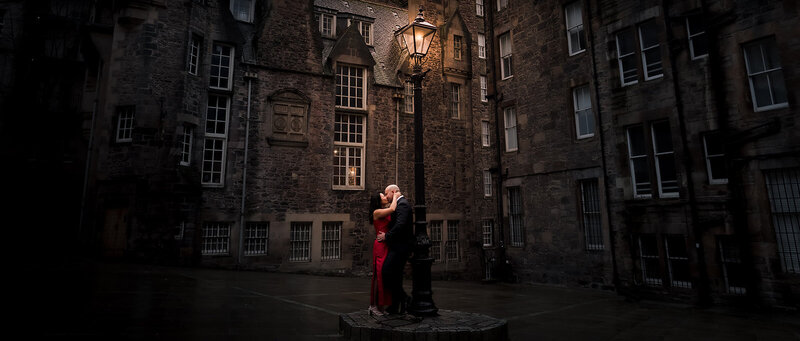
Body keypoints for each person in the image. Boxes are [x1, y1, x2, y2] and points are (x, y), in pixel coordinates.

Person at [376, 184, 414, 315]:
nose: (386, 197)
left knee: (387, 272)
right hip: (396, 246)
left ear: (393, 192)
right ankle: (396, 305)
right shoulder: (398, 204)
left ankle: (405, 298)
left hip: (400, 247)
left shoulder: (402, 204)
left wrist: (386, 236)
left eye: (387, 194)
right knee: (396, 277)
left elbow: (401, 224)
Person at [368, 191, 399, 316]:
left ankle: (380, 306)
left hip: (387, 244)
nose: (386, 197)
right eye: (383, 196)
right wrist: (396, 196)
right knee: (378, 275)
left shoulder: (382, 210)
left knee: (384, 276)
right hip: (380, 246)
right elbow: (392, 208)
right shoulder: (376, 212)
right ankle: (373, 306)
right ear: (378, 200)